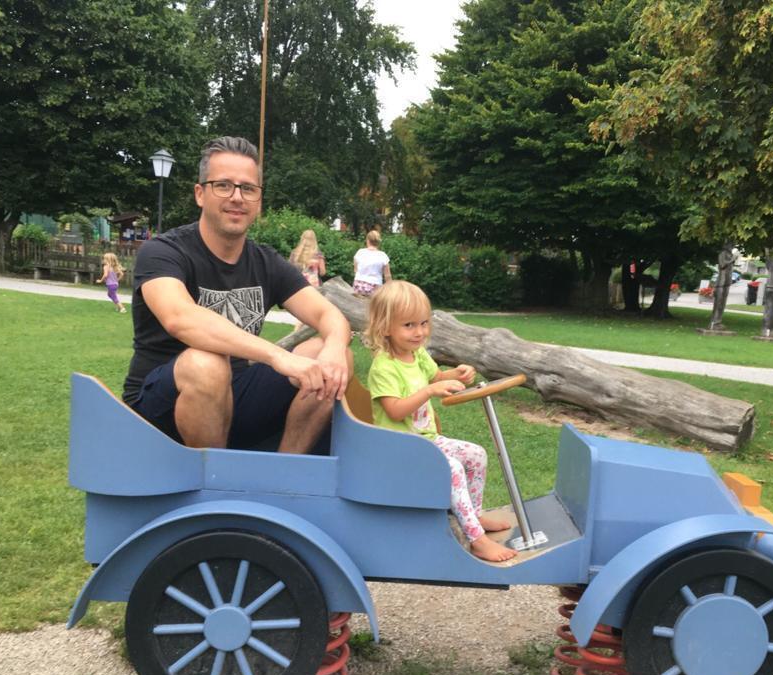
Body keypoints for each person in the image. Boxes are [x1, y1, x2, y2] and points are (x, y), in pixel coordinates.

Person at [122, 136, 352, 454]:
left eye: (248, 188)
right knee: (207, 364)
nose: (237, 197)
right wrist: (278, 356)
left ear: (258, 199)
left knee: (327, 359)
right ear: (200, 194)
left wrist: (336, 349)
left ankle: (284, 474)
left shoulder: (266, 261)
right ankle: (215, 487)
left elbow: (330, 316)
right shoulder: (164, 252)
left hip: (236, 397)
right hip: (160, 407)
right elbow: (181, 319)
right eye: (223, 185)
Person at [364, 281, 516, 563]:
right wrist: (428, 392)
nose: (420, 332)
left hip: (426, 440)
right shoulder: (384, 367)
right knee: (453, 468)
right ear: (385, 327)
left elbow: (436, 378)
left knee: (475, 454)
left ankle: (476, 515)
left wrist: (455, 373)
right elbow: (395, 411)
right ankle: (477, 540)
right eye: (409, 325)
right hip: (398, 448)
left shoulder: (417, 354)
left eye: (423, 323)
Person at [352, 230, 391, 297]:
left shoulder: (360, 252)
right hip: (375, 286)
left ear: (367, 240)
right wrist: (391, 289)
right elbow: (387, 276)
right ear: (378, 242)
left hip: (358, 286)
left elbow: (355, 270)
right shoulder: (383, 255)